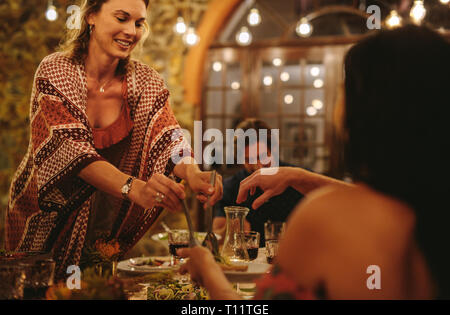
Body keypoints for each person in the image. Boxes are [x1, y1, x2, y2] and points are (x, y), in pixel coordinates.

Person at [179, 25, 450, 299]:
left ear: (364, 112)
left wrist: (209, 274)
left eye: (343, 89)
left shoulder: (325, 217)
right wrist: (301, 177)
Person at [5, 0, 222, 280]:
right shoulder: (55, 71)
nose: (131, 31)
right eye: (122, 18)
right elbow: (71, 151)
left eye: (139, 23)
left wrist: (192, 171)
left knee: (97, 287)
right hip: (44, 219)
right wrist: (135, 188)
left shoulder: (145, 81)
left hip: (105, 224)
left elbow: (168, 135)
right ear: (91, 16)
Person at [212, 118, 305, 246]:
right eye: (248, 159)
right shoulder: (232, 186)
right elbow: (214, 239)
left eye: (262, 157)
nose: (258, 166)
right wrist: (231, 226)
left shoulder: (297, 178)